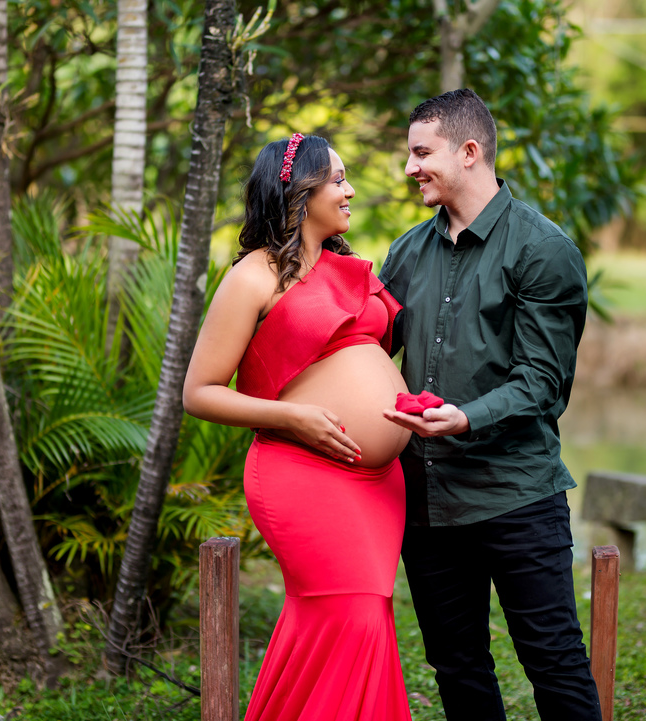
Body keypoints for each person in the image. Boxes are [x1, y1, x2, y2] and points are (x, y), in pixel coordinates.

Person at [378, 89, 602, 721]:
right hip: (428, 502)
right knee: (457, 666)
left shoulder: (543, 250)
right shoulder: (407, 253)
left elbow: (542, 383)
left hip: (517, 496)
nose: (410, 167)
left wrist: (467, 416)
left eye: (422, 153)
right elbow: (365, 344)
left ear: (469, 152)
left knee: (553, 660)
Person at [183, 133, 413, 721]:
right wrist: (293, 416)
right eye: (338, 179)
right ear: (299, 191)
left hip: (378, 482)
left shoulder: (347, 268)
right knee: (353, 614)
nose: (350, 189)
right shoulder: (253, 276)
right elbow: (199, 392)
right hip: (302, 472)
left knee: (359, 619)